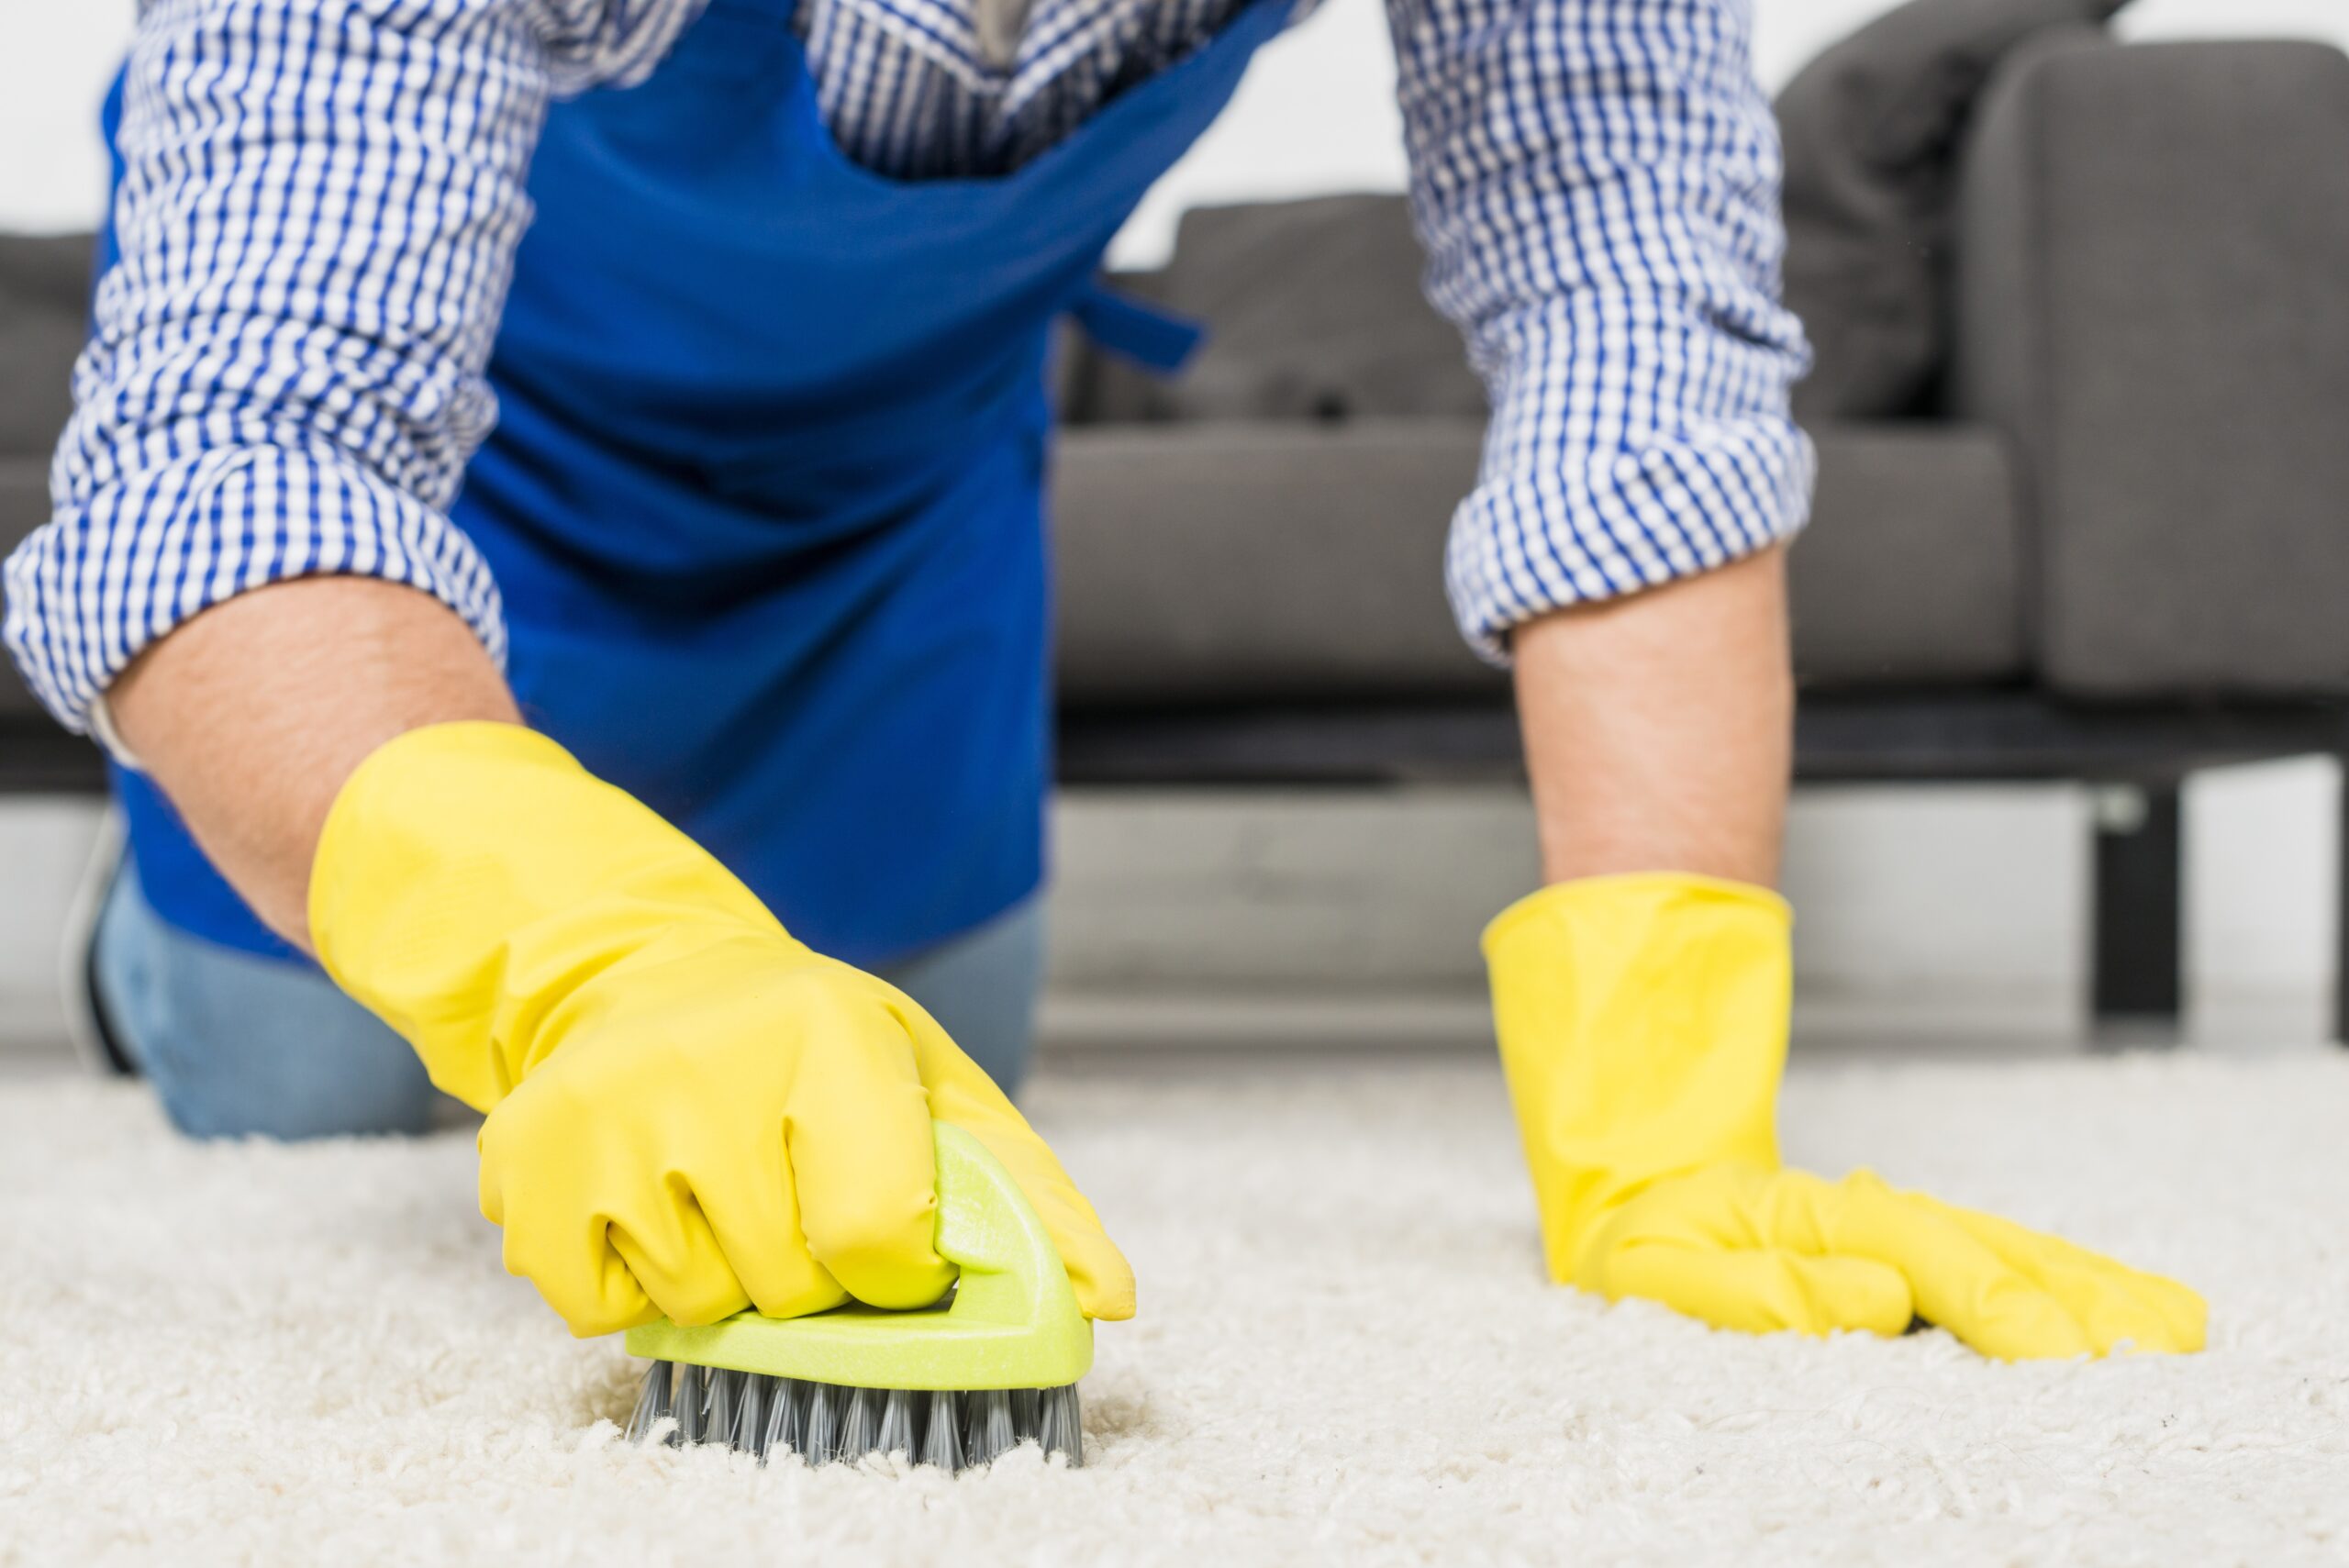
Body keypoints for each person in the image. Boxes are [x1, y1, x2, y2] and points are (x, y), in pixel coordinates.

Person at [3, 0, 2201, 1359]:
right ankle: (148, 944)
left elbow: (1632, 328)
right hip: (457, 482)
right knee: (316, 1078)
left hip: (891, 498)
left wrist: (1670, 1121)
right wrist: (579, 964)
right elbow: (238, 462)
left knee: (916, 1089)